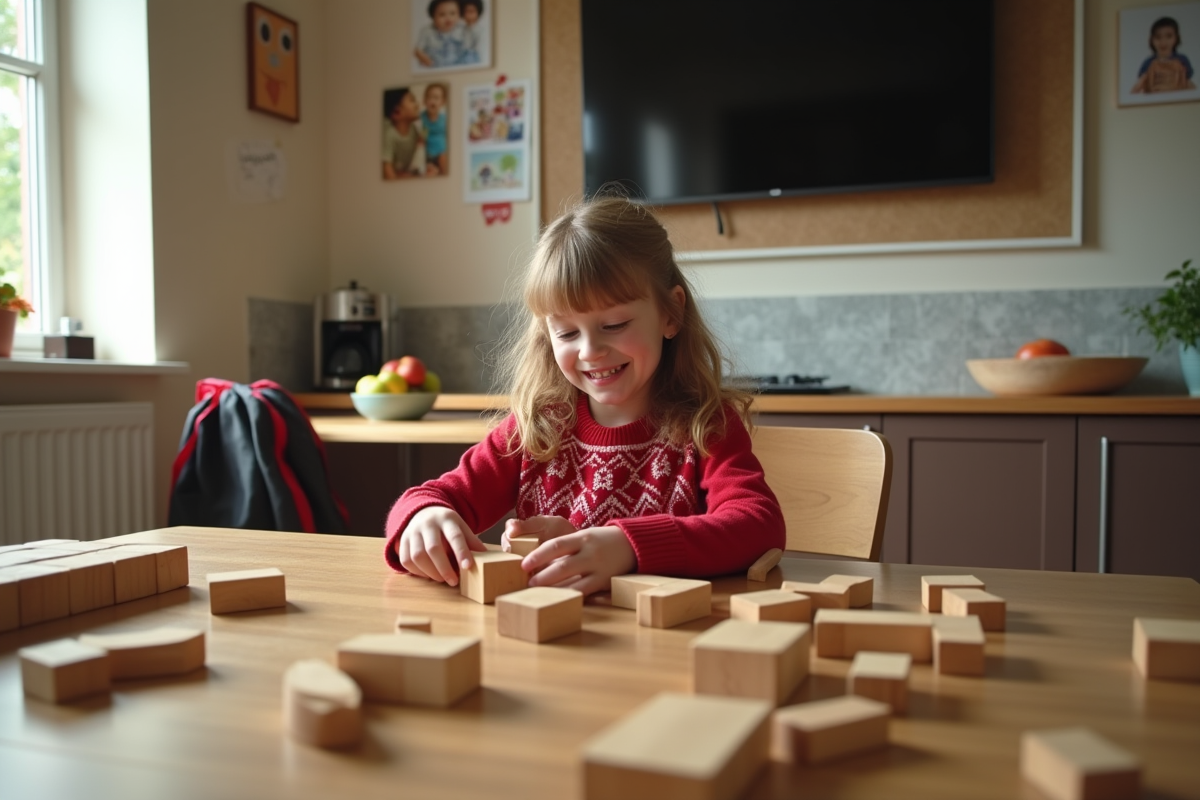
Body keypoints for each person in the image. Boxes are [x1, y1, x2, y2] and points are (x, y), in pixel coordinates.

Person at [383, 196, 785, 596]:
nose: (590, 351)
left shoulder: (706, 425)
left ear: (670, 313)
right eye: (567, 332)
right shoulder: (536, 429)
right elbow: (433, 496)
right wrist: (423, 516)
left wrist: (628, 546)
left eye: (615, 324)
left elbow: (758, 525)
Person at [1132, 16, 1196, 94]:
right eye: (1158, 37)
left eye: (1169, 36)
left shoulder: (1182, 60)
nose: (1163, 41)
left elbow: (1187, 82)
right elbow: (1140, 84)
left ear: (1176, 38)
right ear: (1152, 40)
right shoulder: (1148, 62)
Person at [382, 87, 424, 180]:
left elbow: (421, 143)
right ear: (397, 112)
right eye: (412, 100)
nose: (417, 104)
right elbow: (387, 168)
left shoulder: (413, 129)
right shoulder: (390, 135)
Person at [414, 0, 469, 69]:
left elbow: (467, 49)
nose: (448, 18)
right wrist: (429, 62)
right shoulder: (427, 31)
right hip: (435, 66)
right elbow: (418, 51)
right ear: (433, 17)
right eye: (442, 15)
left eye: (453, 13)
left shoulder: (462, 29)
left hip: (457, 65)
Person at [421, 83, 449, 176]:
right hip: (427, 154)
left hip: (442, 153)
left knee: (443, 159)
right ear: (425, 100)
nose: (432, 101)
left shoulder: (445, 119)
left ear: (442, 102)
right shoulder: (422, 118)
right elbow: (422, 138)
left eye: (436, 98)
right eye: (429, 97)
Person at [459, 0, 484, 65]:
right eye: (466, 11)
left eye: (471, 11)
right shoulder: (460, 29)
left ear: (478, 12)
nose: (468, 15)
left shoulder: (481, 30)